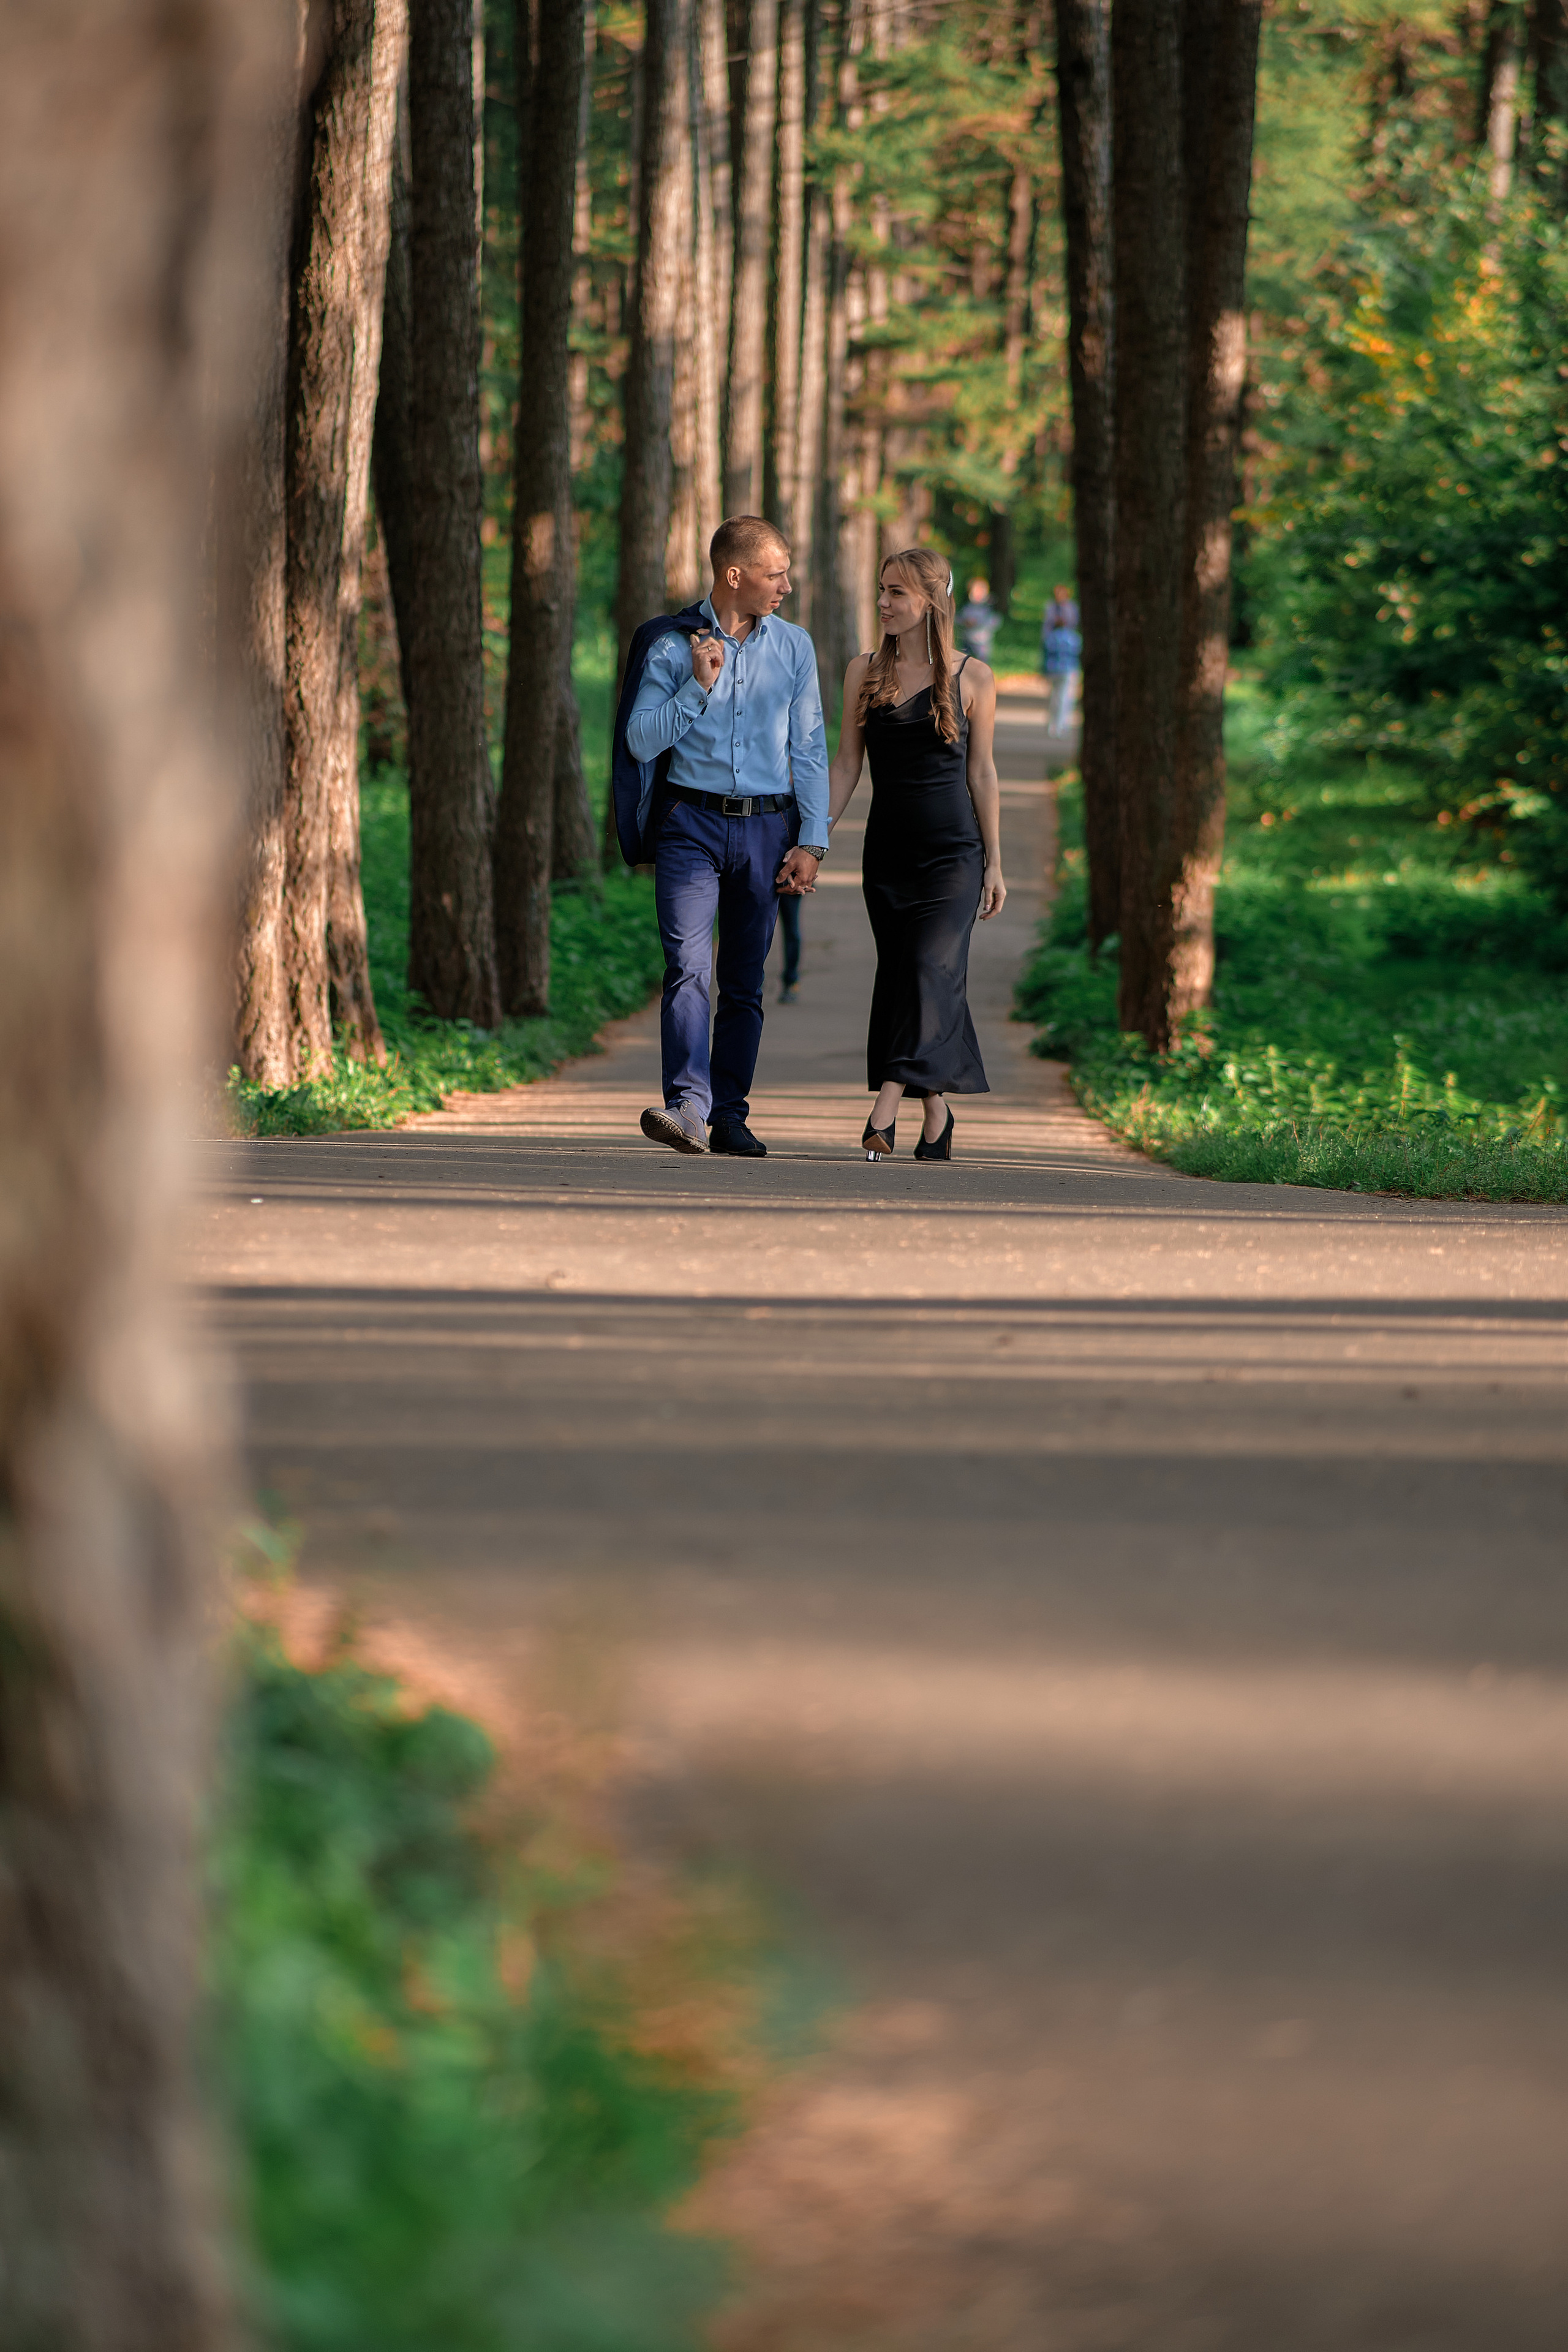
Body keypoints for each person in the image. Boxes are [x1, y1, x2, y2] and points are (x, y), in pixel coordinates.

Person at [616, 514, 829, 1157]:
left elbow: (811, 748)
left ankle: (729, 1113)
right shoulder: (668, 646)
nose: (785, 585)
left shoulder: (794, 647)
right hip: (691, 825)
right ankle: (688, 1105)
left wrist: (811, 842)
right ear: (733, 575)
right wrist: (694, 689)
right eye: (775, 573)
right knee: (687, 967)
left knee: (742, 979)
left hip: (767, 826)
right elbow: (639, 740)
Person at [824, 546, 1006, 1162]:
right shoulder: (862, 671)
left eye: (896, 593)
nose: (883, 603)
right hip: (889, 855)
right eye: (881, 590)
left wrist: (996, 863)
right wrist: (814, 837)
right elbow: (847, 763)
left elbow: (982, 774)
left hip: (954, 855)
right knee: (908, 974)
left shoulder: (973, 677)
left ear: (929, 601)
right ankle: (939, 1114)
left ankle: (886, 1105)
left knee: (931, 968)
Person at [1040, 582, 1081, 735]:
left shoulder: (1072, 610)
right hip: (1055, 663)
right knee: (1055, 696)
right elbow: (1045, 638)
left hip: (1069, 663)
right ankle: (1054, 724)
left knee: (1067, 696)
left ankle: (1063, 724)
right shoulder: (1050, 610)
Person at [956, 576, 1000, 663]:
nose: (978, 596)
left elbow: (996, 621)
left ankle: (982, 676)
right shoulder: (967, 608)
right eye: (975, 593)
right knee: (965, 661)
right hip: (967, 639)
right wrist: (964, 622)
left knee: (982, 663)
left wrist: (979, 623)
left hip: (982, 642)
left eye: (981, 593)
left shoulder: (988, 609)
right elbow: (958, 618)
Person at [777, 889, 802, 1003]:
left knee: (792, 931)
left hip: (791, 878)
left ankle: (791, 981)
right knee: (758, 931)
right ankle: (754, 978)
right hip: (762, 876)